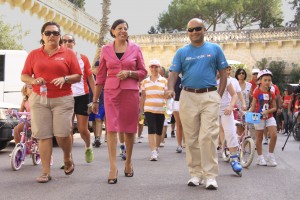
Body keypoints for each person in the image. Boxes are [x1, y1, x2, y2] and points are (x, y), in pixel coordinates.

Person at [166, 18, 227, 190]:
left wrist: (218, 96)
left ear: (204, 29)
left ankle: (210, 176)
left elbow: (223, 74)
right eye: (190, 30)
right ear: (187, 32)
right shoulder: (182, 52)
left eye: (197, 29)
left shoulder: (215, 49)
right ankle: (195, 174)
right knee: (191, 138)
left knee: (207, 136)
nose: (194, 32)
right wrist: (170, 88)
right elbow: (173, 74)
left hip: (209, 96)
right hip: (188, 96)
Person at [21, 21, 82, 183]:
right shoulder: (34, 54)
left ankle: (67, 157)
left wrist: (65, 78)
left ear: (59, 36)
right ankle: (45, 171)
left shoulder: (68, 54)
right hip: (39, 99)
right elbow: (24, 75)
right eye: (48, 33)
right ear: (42, 36)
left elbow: (78, 76)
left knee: (62, 134)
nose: (51, 36)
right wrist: (33, 81)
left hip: (62, 99)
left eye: (55, 33)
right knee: (44, 136)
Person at [92, 19, 147, 184]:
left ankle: (128, 161)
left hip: (130, 92)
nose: (123, 30)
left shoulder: (136, 48)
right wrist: (95, 100)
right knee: (111, 128)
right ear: (113, 31)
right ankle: (113, 167)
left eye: (125, 28)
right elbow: (100, 76)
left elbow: (143, 72)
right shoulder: (105, 49)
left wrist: (130, 73)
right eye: (120, 28)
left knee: (130, 129)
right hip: (111, 92)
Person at [62, 34, 95, 163]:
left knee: (82, 130)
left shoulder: (83, 58)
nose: (67, 43)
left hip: (82, 96)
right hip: (66, 96)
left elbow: (91, 79)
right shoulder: (59, 58)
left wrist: (95, 98)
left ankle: (88, 147)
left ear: (74, 43)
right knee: (67, 129)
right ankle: (68, 157)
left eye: (70, 41)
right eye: (64, 41)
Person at [140, 59, 168, 161]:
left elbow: (166, 95)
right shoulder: (145, 82)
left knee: (159, 131)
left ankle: (156, 148)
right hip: (149, 109)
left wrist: (168, 107)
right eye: (152, 67)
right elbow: (142, 96)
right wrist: (141, 110)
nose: (154, 69)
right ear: (149, 68)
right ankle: (153, 151)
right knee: (151, 129)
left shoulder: (164, 81)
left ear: (159, 68)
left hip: (160, 109)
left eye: (156, 67)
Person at [249, 69, 278, 167]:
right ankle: (260, 157)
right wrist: (247, 113)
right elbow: (253, 106)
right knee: (259, 137)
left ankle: (270, 155)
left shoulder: (272, 93)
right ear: (260, 80)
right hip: (258, 117)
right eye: (265, 80)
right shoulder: (256, 92)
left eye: (269, 80)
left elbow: (274, 107)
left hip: (269, 116)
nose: (267, 82)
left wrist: (267, 111)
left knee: (274, 135)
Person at [217, 70, 242, 176]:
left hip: (225, 110)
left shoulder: (226, 80)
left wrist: (231, 106)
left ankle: (234, 158)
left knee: (230, 132)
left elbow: (234, 95)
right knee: (208, 136)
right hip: (210, 111)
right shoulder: (206, 79)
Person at [88, 61, 105, 148]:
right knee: (94, 120)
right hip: (90, 101)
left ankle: (98, 138)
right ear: (96, 67)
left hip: (101, 101)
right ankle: (96, 137)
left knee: (99, 119)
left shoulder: (103, 77)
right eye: (100, 68)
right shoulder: (90, 77)